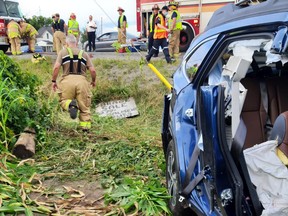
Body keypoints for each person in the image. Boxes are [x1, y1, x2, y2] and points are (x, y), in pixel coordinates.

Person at [52, 34, 96, 132]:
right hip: (82, 81)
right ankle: (85, 130)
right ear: (76, 43)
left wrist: (53, 81)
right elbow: (93, 70)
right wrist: (93, 81)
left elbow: (56, 67)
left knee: (63, 101)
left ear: (66, 43)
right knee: (84, 107)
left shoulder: (63, 52)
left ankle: (70, 105)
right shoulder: (84, 53)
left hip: (67, 81)